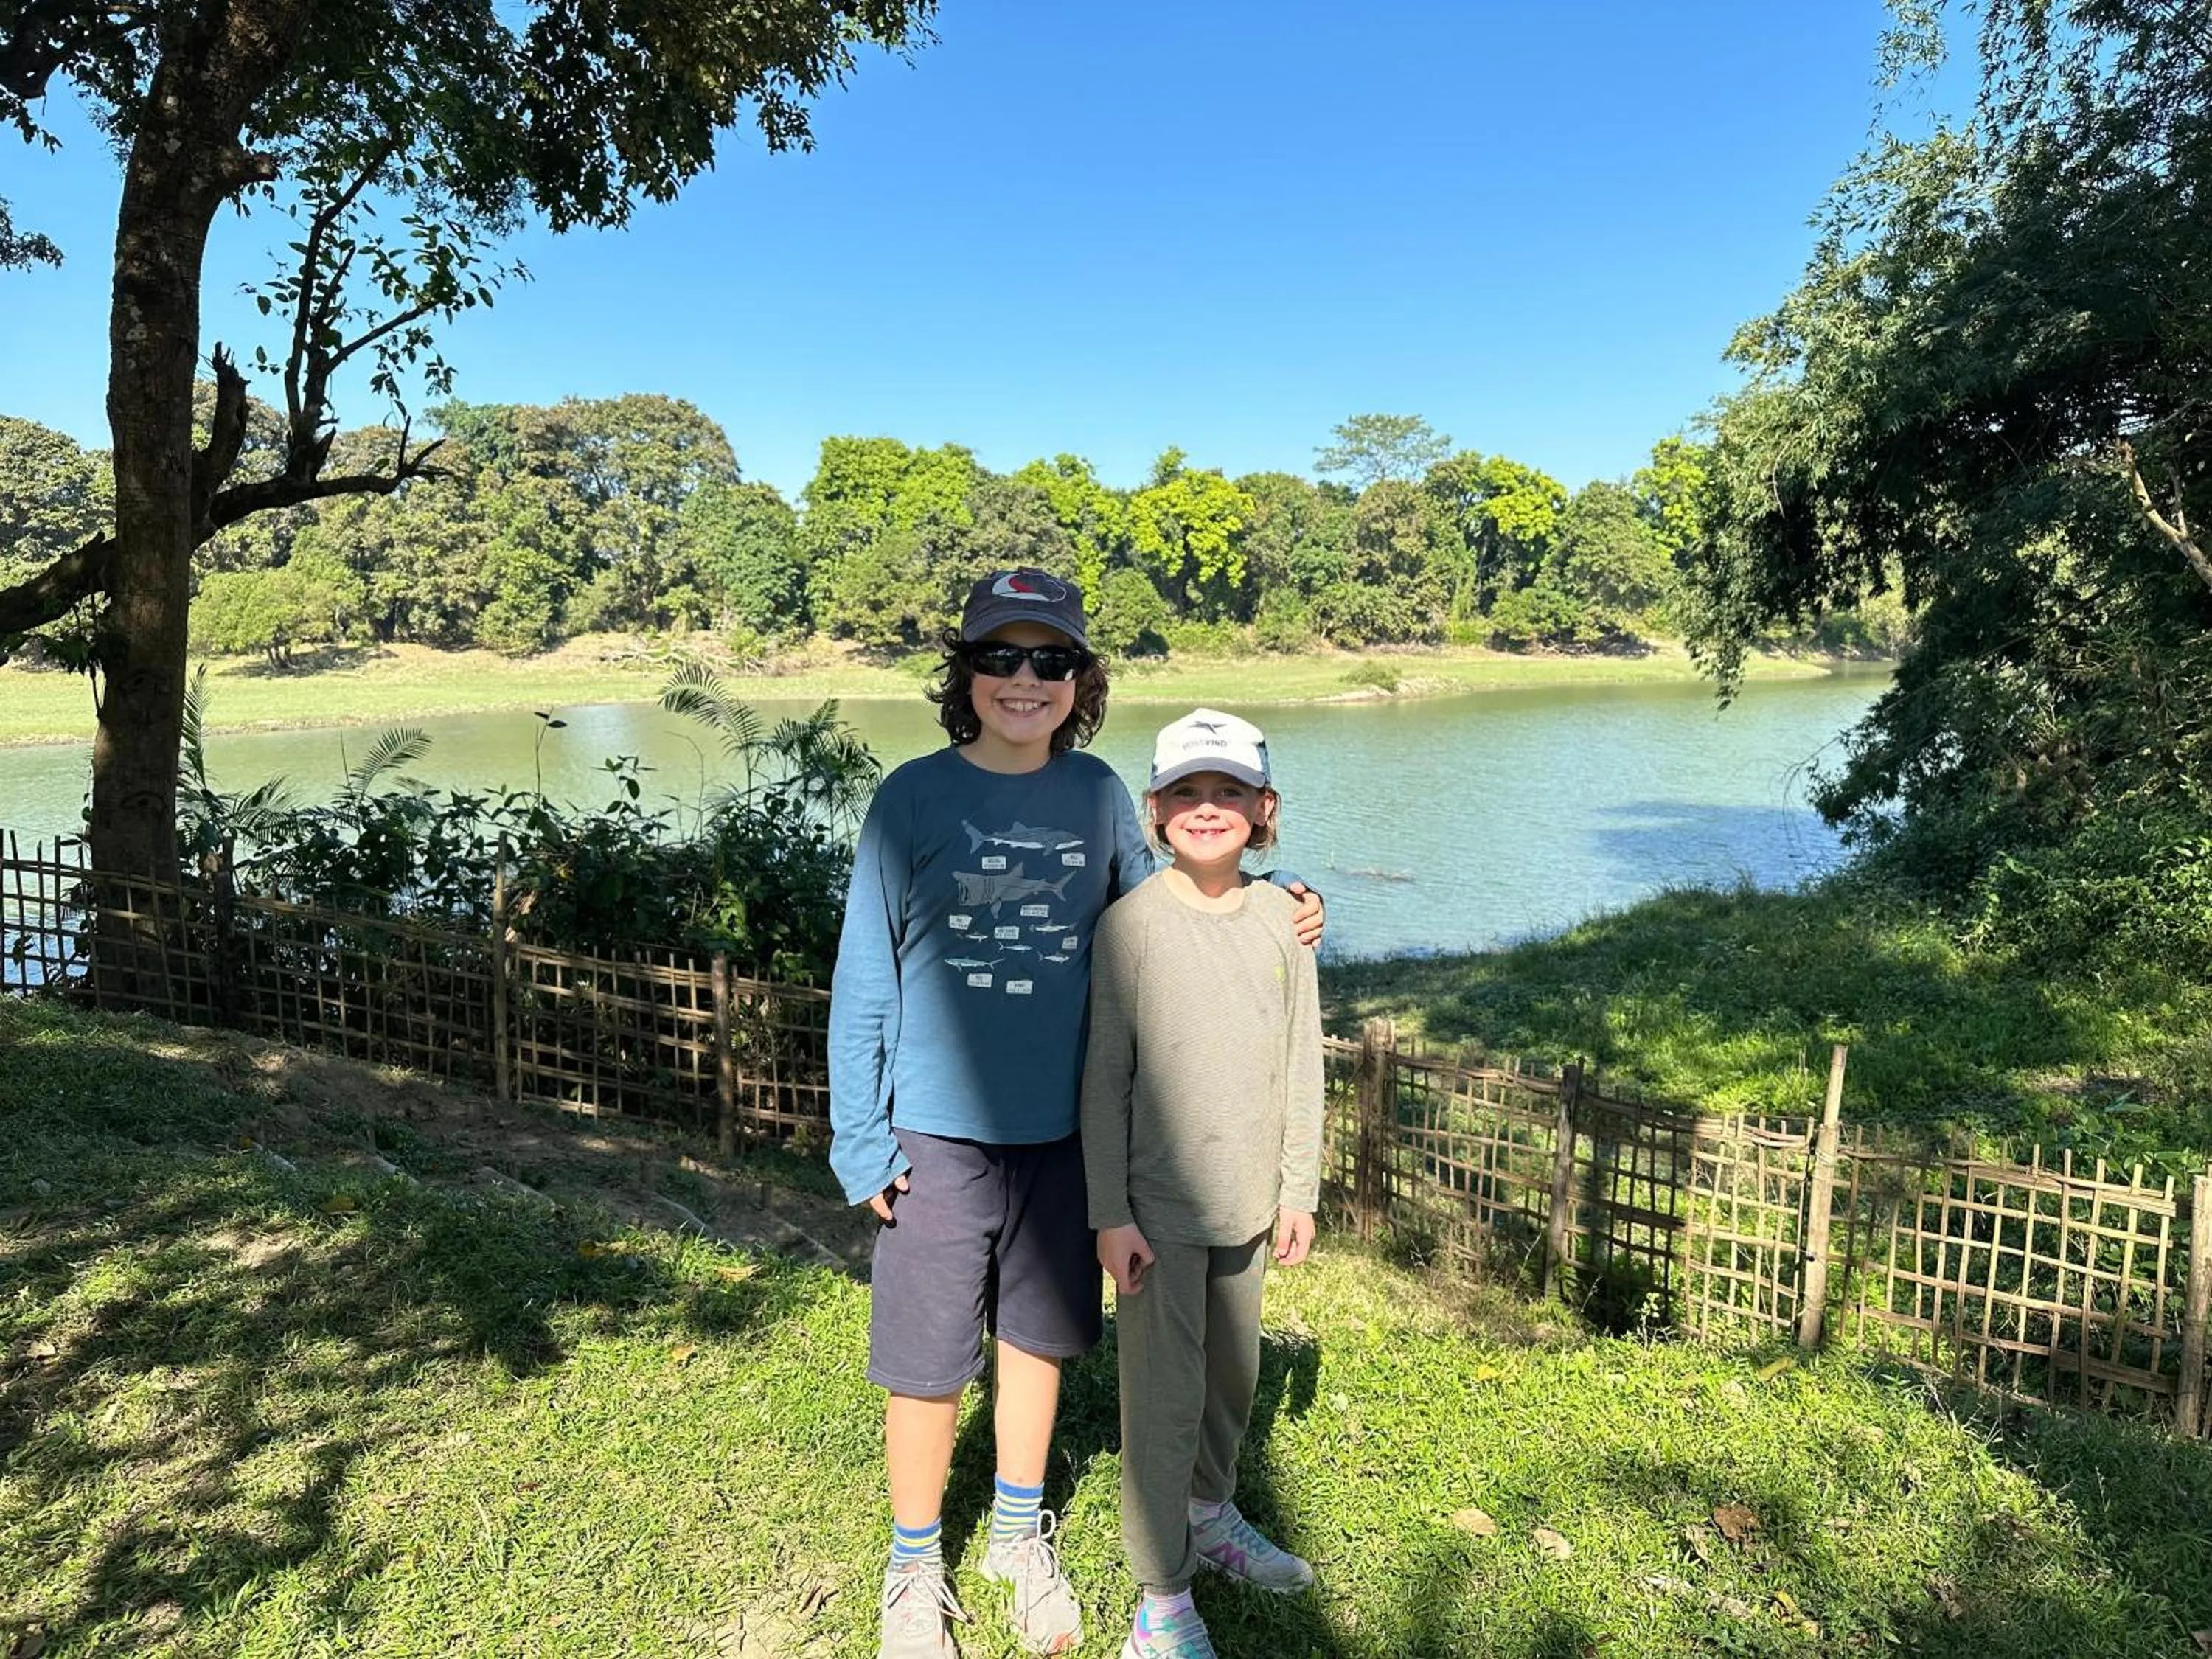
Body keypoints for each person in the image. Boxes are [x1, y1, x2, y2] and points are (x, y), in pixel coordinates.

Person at [828, 571, 1323, 1659]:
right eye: (999, 657)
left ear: (1080, 680)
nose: (1024, 679)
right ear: (964, 673)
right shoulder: (911, 798)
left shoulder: (1098, 795)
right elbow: (866, 971)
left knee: (1037, 1341)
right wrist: (859, 1133)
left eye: (1049, 660)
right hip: (935, 1134)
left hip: (1062, 1136)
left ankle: (1017, 1534)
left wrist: (1282, 889)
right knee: (926, 1359)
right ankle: (914, 1565)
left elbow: (1175, 900)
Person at [1080, 707, 1324, 1659]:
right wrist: (1110, 1212)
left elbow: (1302, 1061)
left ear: (1265, 809)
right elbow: (1105, 1079)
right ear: (1154, 810)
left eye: (1230, 790)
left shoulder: (1285, 922)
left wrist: (1297, 1190)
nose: (1208, 807)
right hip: (1157, 1214)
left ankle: (1210, 1511)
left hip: (1250, 1205)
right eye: (1186, 791)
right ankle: (1161, 1598)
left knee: (1231, 1378)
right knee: (1163, 1399)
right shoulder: (1130, 928)